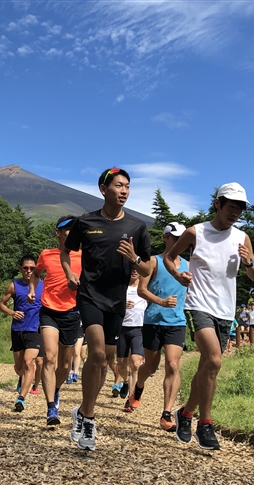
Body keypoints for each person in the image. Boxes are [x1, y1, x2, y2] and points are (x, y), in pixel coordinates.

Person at [163, 182, 254, 450]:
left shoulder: (242, 238)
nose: (235, 213)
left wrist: (249, 262)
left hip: (225, 310)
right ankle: (205, 423)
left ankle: (185, 413)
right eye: (231, 207)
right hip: (198, 304)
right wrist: (178, 274)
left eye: (240, 209)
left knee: (207, 365)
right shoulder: (197, 232)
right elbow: (170, 258)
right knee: (215, 361)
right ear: (218, 204)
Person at [62, 167, 152, 451]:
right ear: (104, 190)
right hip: (89, 296)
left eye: (127, 186)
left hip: (116, 302)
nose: (124, 190)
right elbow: (67, 250)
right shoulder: (86, 222)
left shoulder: (137, 227)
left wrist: (134, 257)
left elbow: (148, 266)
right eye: (118, 186)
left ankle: (81, 409)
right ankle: (89, 417)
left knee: (106, 360)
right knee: (98, 353)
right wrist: (68, 273)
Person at [129, 221, 189, 432]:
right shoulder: (153, 261)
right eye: (174, 238)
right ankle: (138, 387)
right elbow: (141, 290)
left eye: (181, 239)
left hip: (177, 322)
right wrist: (162, 302)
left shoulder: (188, 265)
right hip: (153, 320)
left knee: (173, 365)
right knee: (151, 367)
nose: (178, 242)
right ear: (165, 238)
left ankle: (166, 414)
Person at [28, 216, 82, 426]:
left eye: (73, 228)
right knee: (50, 358)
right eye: (65, 228)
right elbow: (36, 274)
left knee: (65, 365)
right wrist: (33, 289)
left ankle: (56, 389)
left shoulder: (82, 255)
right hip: (49, 310)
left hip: (72, 311)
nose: (70, 231)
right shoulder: (47, 254)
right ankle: (51, 407)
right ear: (57, 233)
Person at [0, 255, 44, 413]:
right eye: (26, 268)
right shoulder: (14, 285)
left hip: (35, 330)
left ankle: (21, 398)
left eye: (32, 268)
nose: (29, 271)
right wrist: (12, 313)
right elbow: (1, 304)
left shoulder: (42, 285)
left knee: (28, 362)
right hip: (18, 329)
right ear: (20, 269)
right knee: (19, 367)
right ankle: (22, 377)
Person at [117, 268, 147, 411]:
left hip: (138, 329)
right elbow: (110, 303)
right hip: (122, 328)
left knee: (135, 364)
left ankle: (131, 398)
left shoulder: (144, 287)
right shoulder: (121, 286)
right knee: (121, 364)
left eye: (137, 269)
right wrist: (121, 305)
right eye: (131, 269)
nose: (134, 271)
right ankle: (125, 381)